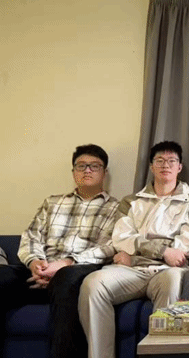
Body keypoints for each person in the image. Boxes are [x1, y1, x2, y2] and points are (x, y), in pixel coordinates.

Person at [79, 141, 189, 358]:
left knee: (173, 279)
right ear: (151, 166)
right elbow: (121, 239)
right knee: (93, 284)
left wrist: (136, 250)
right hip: (131, 270)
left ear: (180, 167)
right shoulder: (130, 202)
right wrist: (162, 251)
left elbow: (182, 250)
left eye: (171, 161)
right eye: (160, 160)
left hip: (166, 271)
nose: (166, 165)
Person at [0, 144, 119, 358]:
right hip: (41, 270)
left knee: (66, 277)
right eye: (81, 166)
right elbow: (31, 236)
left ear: (104, 172)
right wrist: (35, 263)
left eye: (94, 166)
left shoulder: (116, 208)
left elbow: (109, 247)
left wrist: (66, 263)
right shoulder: (53, 202)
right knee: (2, 274)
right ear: (73, 172)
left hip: (78, 270)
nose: (87, 170)